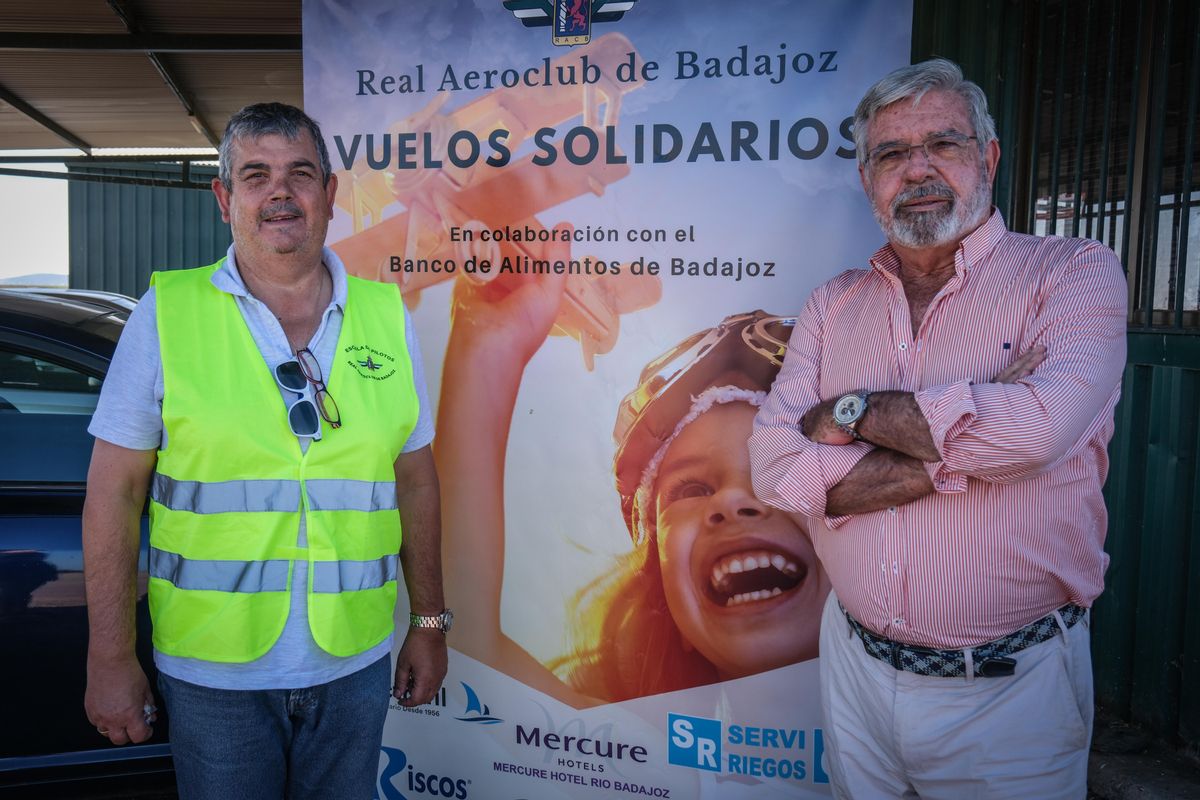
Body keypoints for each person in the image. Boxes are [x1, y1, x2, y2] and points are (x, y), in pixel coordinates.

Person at [749, 58, 1127, 799]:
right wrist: (975, 426)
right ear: (866, 178)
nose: (917, 169)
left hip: (1011, 694)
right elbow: (773, 471)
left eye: (944, 145)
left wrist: (844, 417)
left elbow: (1037, 434)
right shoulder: (833, 304)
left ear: (986, 157)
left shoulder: (1072, 272)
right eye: (891, 153)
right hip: (855, 669)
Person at [81, 102, 449, 800]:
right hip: (214, 675)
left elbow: (417, 479)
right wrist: (110, 654)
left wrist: (429, 622)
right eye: (256, 175)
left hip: (354, 664)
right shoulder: (167, 314)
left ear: (330, 194)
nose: (280, 192)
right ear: (225, 199)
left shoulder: (385, 315)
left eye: (300, 173)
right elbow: (114, 495)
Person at [437, 255, 829, 706]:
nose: (734, 500)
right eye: (692, 490)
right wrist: (487, 346)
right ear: (665, 601)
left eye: (778, 470)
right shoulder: (641, 764)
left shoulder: (923, 761)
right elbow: (458, 643)